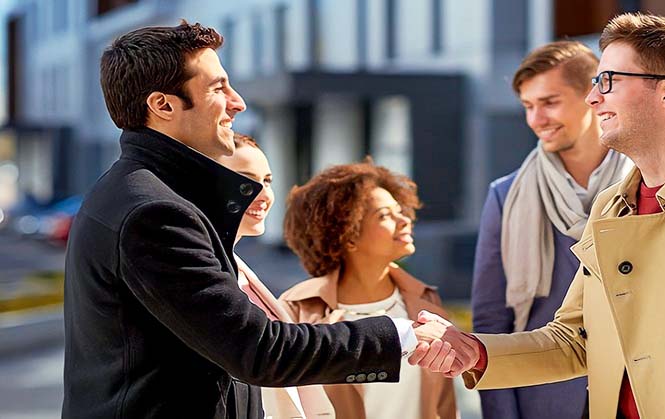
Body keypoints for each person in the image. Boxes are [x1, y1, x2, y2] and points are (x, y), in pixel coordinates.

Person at [412, 13, 665, 419]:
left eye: (609, 81)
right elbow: (576, 339)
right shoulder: (613, 205)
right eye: (596, 82)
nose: (594, 97)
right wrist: (473, 350)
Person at [62, 21, 452, 418]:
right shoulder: (155, 213)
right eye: (218, 88)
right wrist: (400, 332)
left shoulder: (143, 193)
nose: (238, 102)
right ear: (163, 106)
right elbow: (259, 351)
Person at [471, 40, 631, 419]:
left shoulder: (647, 184)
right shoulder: (506, 196)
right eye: (528, 106)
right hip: (544, 401)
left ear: (592, 97)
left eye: (549, 102)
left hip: (638, 393)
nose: (536, 119)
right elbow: (491, 322)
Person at [279, 160, 458, 419]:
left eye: (400, 210)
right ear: (348, 234)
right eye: (385, 215)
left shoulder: (425, 302)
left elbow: (445, 405)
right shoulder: (299, 309)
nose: (404, 220)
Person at [217, 133, 335, 419]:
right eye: (244, 179)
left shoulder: (240, 269)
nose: (262, 194)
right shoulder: (203, 273)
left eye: (267, 181)